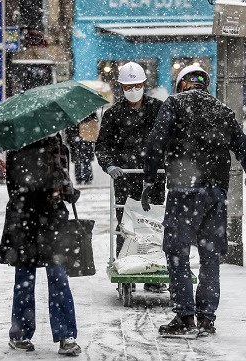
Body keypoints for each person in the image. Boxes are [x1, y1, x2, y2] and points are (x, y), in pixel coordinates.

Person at [141, 65, 246, 337]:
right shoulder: (222, 110)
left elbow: (155, 143)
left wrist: (149, 179)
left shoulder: (174, 104)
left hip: (185, 191)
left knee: (177, 253)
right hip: (216, 193)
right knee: (209, 257)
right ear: (206, 85)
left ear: (182, 85)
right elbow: (244, 146)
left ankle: (184, 317)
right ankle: (206, 319)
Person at [0, 133, 82, 356]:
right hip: (49, 221)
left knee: (25, 279)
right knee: (58, 277)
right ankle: (66, 336)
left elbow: (14, 188)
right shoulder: (58, 149)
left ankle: (21, 334)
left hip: (23, 221)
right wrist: (69, 193)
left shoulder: (15, 147)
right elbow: (65, 189)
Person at [95, 61, 166, 293]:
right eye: (128, 86)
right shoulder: (113, 114)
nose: (132, 90)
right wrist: (109, 165)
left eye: (137, 85)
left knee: (152, 226)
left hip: (152, 179)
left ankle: (152, 271)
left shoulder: (159, 109)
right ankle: (126, 269)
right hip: (125, 179)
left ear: (144, 84)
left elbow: (169, 139)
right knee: (126, 227)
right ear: (121, 87)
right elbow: (102, 146)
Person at [66, 113, 97, 185]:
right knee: (80, 161)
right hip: (79, 142)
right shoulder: (87, 113)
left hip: (84, 141)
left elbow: (93, 123)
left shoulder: (87, 114)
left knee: (85, 160)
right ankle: (82, 177)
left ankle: (85, 177)